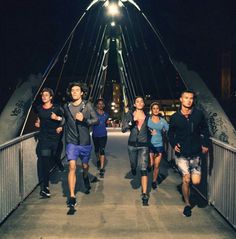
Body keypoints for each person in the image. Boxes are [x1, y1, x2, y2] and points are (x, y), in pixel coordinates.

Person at [168, 89, 210, 217]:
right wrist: (174, 144)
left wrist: (205, 144)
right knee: (186, 179)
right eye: (186, 97)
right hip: (182, 154)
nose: (189, 100)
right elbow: (170, 133)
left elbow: (205, 129)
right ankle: (187, 204)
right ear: (181, 99)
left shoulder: (198, 114)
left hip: (196, 153)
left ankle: (188, 188)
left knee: (196, 182)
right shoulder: (175, 117)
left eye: (191, 98)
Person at [63, 82, 99, 207]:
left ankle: (85, 176)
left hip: (85, 143)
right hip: (71, 142)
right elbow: (63, 120)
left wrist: (84, 120)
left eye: (77, 90)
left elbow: (96, 120)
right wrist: (57, 123)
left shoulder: (88, 106)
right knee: (72, 166)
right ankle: (72, 196)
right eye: (72, 90)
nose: (74, 92)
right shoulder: (66, 107)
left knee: (85, 166)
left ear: (82, 93)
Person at [35, 88, 64, 198]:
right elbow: (39, 119)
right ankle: (45, 188)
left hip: (55, 138)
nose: (44, 97)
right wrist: (38, 122)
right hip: (44, 139)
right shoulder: (39, 108)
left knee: (53, 156)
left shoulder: (56, 108)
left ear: (51, 97)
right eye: (42, 95)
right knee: (44, 162)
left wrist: (58, 121)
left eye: (46, 95)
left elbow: (63, 119)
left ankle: (57, 162)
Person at [122, 96, 150, 206]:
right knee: (133, 164)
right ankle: (133, 168)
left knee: (143, 169)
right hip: (132, 145)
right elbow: (123, 129)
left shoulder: (148, 116)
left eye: (141, 101)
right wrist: (131, 123)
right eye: (137, 101)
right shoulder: (129, 114)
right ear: (134, 104)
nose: (140, 103)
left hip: (144, 145)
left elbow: (152, 127)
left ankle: (144, 194)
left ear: (143, 104)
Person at [147, 102, 169, 190]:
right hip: (149, 144)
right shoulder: (148, 119)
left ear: (159, 110)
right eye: (154, 108)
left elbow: (169, 130)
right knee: (151, 163)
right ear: (151, 110)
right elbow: (142, 129)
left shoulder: (163, 121)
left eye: (157, 108)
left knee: (157, 165)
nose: (156, 110)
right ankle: (149, 166)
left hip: (159, 145)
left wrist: (164, 132)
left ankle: (154, 181)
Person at [92, 98, 110, 178]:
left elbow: (106, 122)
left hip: (103, 135)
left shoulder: (106, 114)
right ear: (96, 105)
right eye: (99, 104)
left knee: (102, 150)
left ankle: (102, 168)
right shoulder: (93, 114)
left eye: (102, 104)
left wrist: (108, 123)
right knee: (96, 150)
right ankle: (98, 160)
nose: (101, 105)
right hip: (95, 135)